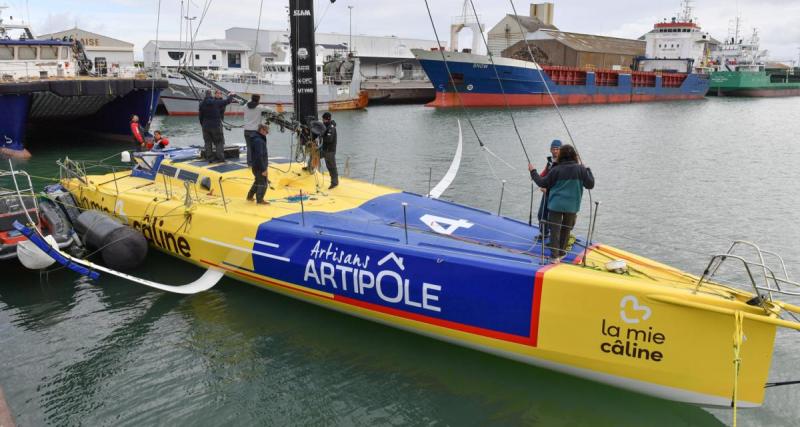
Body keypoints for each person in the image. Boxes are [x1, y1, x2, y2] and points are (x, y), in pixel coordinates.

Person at [528, 144, 594, 261]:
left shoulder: (555, 169)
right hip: (572, 206)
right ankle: (562, 253)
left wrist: (533, 171)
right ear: (574, 155)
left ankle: (554, 257)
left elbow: (542, 182)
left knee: (555, 231)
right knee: (566, 229)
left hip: (555, 205)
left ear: (561, 155)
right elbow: (590, 184)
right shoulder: (581, 169)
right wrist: (587, 169)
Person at [199, 89, 235, 163]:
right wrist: (231, 95)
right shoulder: (216, 102)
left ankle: (209, 158)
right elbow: (227, 101)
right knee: (219, 142)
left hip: (205, 126)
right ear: (211, 95)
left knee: (207, 142)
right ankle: (220, 158)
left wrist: (202, 124)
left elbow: (200, 116)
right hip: (216, 125)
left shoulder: (201, 104)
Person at [536, 139, 561, 241]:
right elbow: (545, 173)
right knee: (541, 214)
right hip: (546, 193)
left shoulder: (562, 164)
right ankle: (544, 233)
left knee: (553, 217)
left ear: (561, 150)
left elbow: (560, 180)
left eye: (557, 149)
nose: (555, 151)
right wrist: (535, 176)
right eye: (553, 149)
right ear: (550, 150)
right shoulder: (550, 162)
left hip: (555, 195)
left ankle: (555, 239)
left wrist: (548, 188)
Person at [243, 94, 272, 166]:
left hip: (246, 130)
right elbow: (270, 110)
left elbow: (247, 103)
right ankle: (257, 163)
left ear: (251, 98)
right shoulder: (259, 107)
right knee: (257, 148)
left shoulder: (245, 106)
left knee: (249, 147)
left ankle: (249, 163)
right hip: (255, 131)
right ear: (258, 100)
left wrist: (250, 100)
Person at [247, 124, 270, 205]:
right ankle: (260, 200)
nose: (267, 134)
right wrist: (264, 169)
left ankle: (249, 196)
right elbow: (259, 156)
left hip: (257, 166)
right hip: (259, 166)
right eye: (266, 132)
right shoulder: (259, 141)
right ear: (262, 130)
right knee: (263, 183)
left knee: (257, 181)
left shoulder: (257, 138)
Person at [320, 112, 339, 189]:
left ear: (327, 119)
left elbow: (329, 139)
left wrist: (321, 135)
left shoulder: (331, 128)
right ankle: (310, 168)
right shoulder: (326, 126)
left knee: (331, 167)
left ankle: (334, 182)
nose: (322, 120)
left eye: (323, 119)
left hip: (330, 151)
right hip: (324, 150)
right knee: (314, 155)